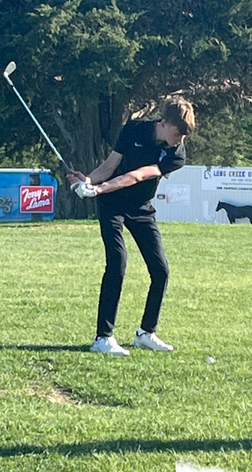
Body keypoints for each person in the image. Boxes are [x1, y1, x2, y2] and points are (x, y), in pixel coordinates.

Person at [67, 96, 196, 357]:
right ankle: (103, 338)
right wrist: (89, 181)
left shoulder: (176, 154)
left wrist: (98, 188)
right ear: (163, 123)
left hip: (141, 208)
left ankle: (146, 333)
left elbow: (137, 176)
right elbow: (111, 165)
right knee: (117, 263)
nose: (180, 140)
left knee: (160, 270)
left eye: (184, 136)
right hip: (112, 204)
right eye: (177, 133)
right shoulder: (134, 129)